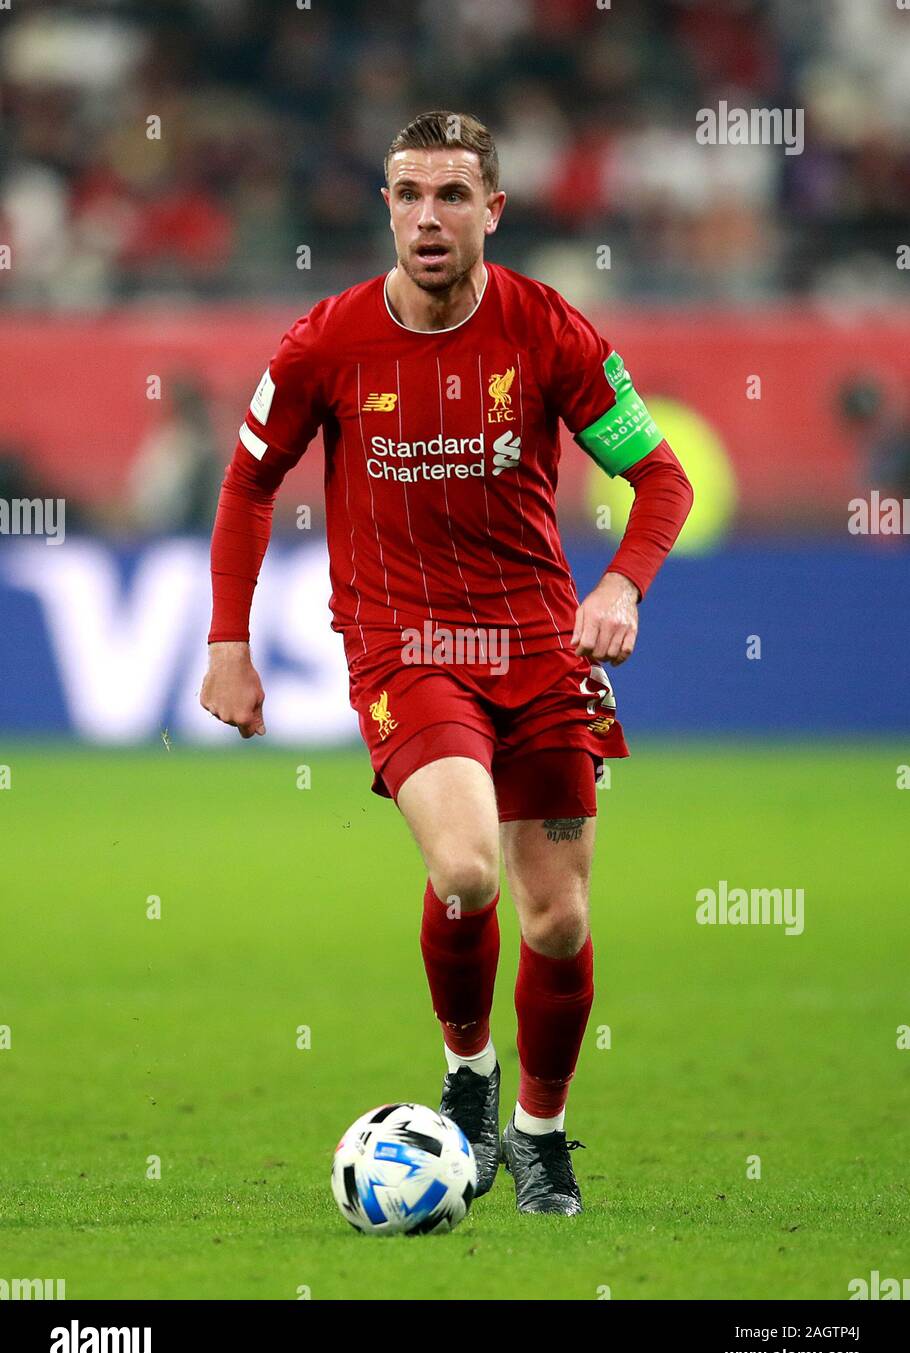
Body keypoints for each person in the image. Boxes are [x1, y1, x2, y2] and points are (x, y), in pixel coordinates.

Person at [201, 111, 693, 1215]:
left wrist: (619, 586)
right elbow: (245, 485)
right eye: (409, 194)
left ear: (493, 211)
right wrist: (229, 639)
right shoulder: (322, 343)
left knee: (558, 920)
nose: (429, 217)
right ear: (384, 206)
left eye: (453, 196)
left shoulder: (547, 329)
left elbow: (660, 479)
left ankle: (538, 1133)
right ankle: (468, 1073)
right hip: (405, 646)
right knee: (467, 871)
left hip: (535, 642)